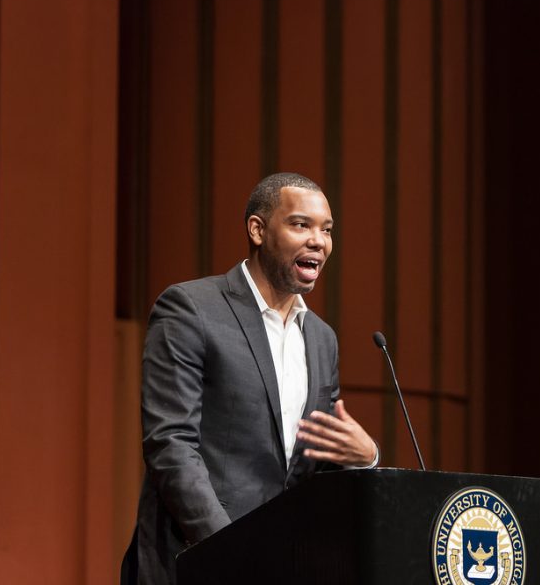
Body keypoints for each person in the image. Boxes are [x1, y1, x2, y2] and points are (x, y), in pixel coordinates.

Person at [122, 172, 378, 585]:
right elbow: (171, 447)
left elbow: (309, 469)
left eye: (327, 230)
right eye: (301, 224)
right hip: (195, 563)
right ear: (257, 230)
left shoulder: (321, 339)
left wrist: (364, 459)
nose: (319, 241)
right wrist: (232, 550)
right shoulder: (191, 309)